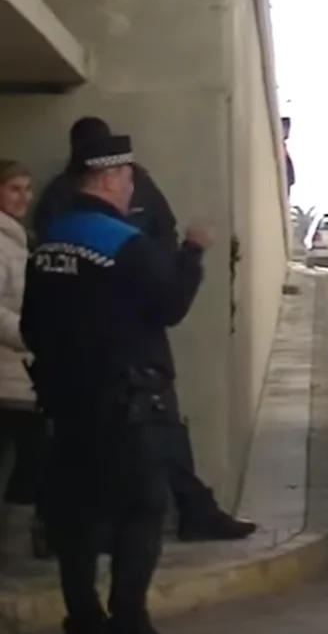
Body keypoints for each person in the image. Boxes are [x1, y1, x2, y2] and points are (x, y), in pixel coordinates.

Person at [33, 117, 255, 543]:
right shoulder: (63, 200)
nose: (127, 185)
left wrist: (160, 268)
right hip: (107, 349)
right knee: (137, 454)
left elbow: (162, 232)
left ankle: (192, 511)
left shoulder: (123, 192)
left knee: (162, 435)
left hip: (124, 335)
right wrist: (185, 259)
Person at [24, 133, 210, 634]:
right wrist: (192, 254)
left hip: (63, 405)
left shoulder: (49, 242)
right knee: (142, 506)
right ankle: (128, 616)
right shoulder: (124, 243)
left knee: (75, 515)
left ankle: (82, 616)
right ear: (108, 179)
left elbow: (29, 327)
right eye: (128, 179)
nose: (132, 189)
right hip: (123, 406)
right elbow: (170, 305)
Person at [0, 161, 44, 512]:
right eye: (14, 188)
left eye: (27, 189)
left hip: (19, 374)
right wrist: (31, 335)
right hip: (7, 376)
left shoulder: (16, 239)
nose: (23, 197)